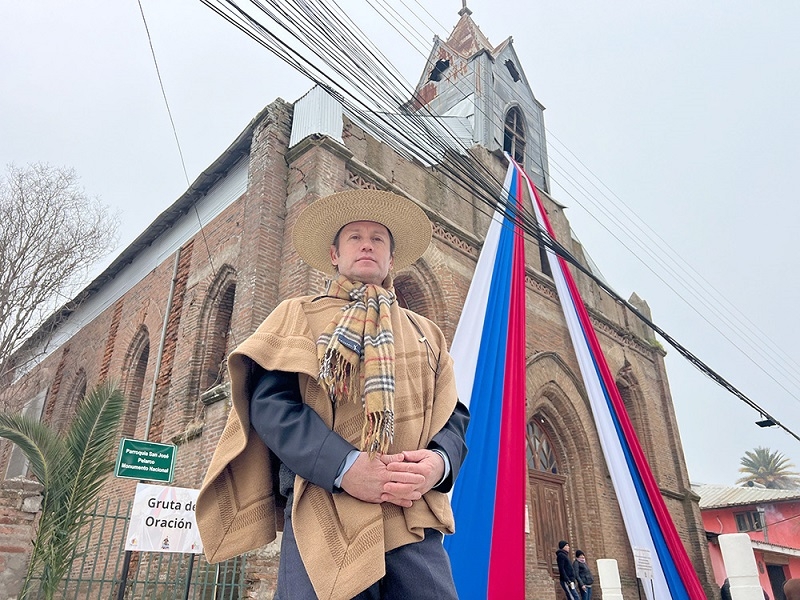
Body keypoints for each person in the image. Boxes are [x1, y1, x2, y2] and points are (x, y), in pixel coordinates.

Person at [196, 189, 469, 600]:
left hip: (410, 517)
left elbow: (453, 415)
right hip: (322, 510)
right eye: (355, 237)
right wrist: (346, 467)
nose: (366, 244)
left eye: (378, 239)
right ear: (334, 255)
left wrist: (437, 463)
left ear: (390, 260)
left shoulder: (425, 332)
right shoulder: (297, 314)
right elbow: (271, 407)